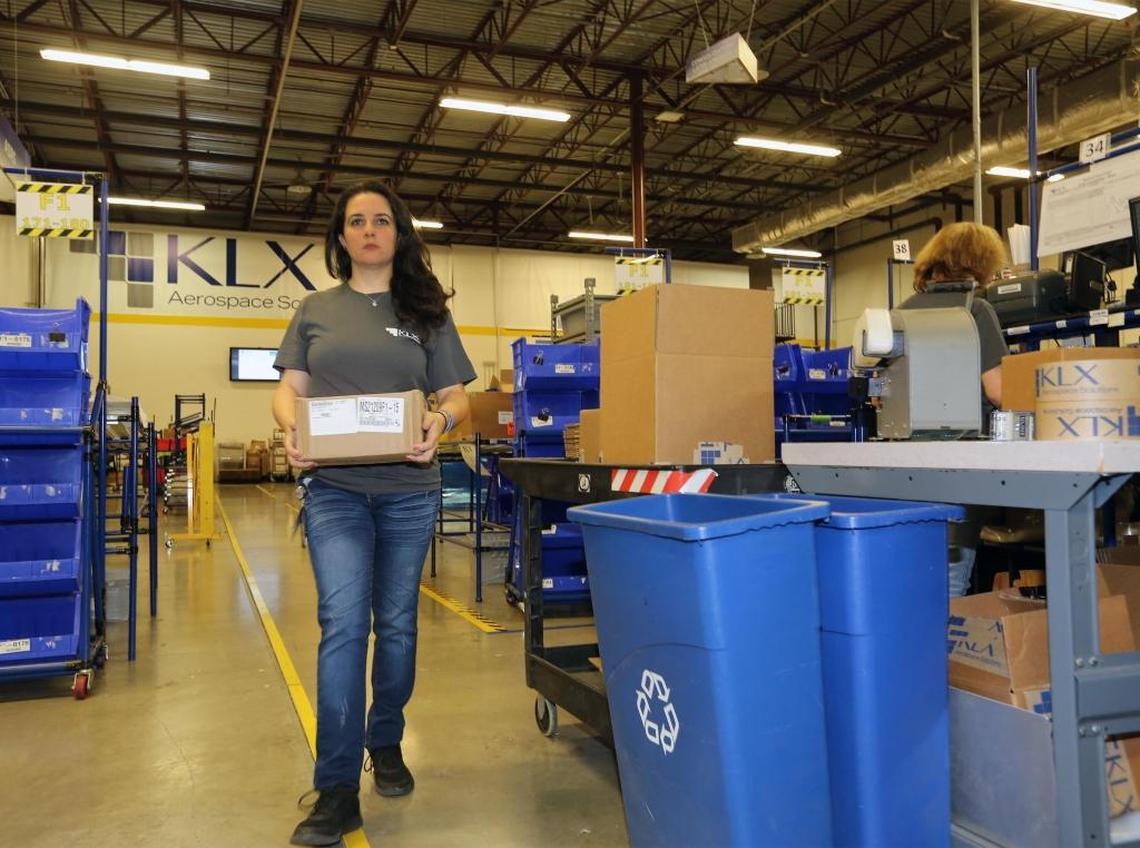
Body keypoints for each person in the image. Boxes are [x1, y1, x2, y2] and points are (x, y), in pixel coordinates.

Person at [272, 180, 476, 846]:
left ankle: (385, 739)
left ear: (399, 234)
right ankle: (335, 788)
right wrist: (290, 431)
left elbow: (456, 397)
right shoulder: (313, 309)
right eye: (355, 221)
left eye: (381, 220)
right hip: (333, 492)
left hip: (409, 492)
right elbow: (289, 391)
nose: (368, 230)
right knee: (341, 625)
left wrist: (440, 422)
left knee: (396, 626)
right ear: (339, 237)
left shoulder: (425, 311)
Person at [899, 222, 1010, 597]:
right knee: (950, 580)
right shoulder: (975, 310)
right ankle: (947, 654)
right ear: (979, 264)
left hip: (902, 462)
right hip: (959, 460)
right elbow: (998, 391)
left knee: (910, 573)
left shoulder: (901, 313)